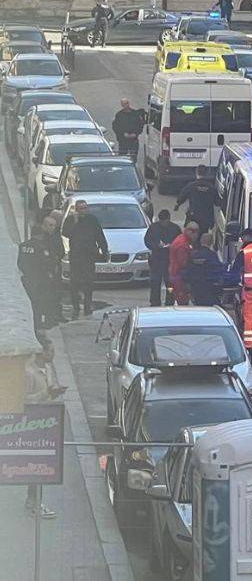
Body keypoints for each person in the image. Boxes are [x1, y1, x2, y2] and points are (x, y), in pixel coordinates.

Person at [23, 341, 65, 520]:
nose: (53, 355)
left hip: (47, 419)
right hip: (33, 422)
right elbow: (25, 398)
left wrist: (54, 391)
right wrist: (47, 393)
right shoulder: (29, 372)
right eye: (50, 351)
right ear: (40, 352)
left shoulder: (48, 367)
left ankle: (32, 500)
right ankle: (35, 503)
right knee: (37, 463)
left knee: (40, 463)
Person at [62, 199, 108, 317]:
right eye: (81, 208)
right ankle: (76, 306)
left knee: (89, 282)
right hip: (76, 256)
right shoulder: (71, 220)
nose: (84, 211)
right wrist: (75, 222)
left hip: (88, 256)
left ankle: (88, 306)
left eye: (85, 208)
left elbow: (99, 235)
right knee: (75, 283)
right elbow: (66, 233)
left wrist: (104, 250)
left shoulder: (92, 220)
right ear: (77, 210)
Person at [18, 220, 58, 329]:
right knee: (41, 302)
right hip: (41, 279)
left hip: (27, 278)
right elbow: (46, 263)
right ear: (40, 234)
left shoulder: (23, 246)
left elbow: (20, 263)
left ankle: (35, 323)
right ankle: (40, 324)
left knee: (32, 301)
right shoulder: (41, 246)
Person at [144, 210, 181, 307]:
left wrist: (172, 246)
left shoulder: (175, 228)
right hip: (157, 259)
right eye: (161, 221)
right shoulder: (153, 228)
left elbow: (179, 241)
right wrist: (156, 246)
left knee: (169, 283)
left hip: (169, 260)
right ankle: (155, 302)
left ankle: (170, 300)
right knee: (155, 282)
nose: (163, 223)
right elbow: (147, 241)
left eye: (165, 221)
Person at [184, 238, 227, 308]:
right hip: (210, 288)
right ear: (211, 243)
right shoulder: (212, 255)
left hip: (196, 288)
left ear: (201, 242)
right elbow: (218, 271)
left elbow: (188, 270)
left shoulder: (193, 254)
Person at [175, 166, 217, 231]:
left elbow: (182, 196)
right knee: (204, 234)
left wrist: (178, 205)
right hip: (206, 218)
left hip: (193, 216)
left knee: (191, 235)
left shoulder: (191, 186)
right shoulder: (211, 187)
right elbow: (218, 202)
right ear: (206, 173)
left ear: (196, 173)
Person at [168, 221, 200, 306]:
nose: (196, 236)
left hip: (174, 274)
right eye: (196, 232)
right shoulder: (183, 245)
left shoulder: (182, 238)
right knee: (182, 301)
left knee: (176, 296)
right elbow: (183, 263)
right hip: (179, 277)